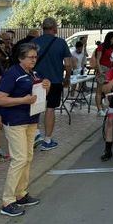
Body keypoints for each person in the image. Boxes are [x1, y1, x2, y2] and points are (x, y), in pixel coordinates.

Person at [0, 42, 50, 217]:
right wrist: (22, 100)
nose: (34, 60)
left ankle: (21, 193)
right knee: (19, 159)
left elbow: (36, 95)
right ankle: (7, 200)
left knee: (27, 158)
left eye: (35, 57)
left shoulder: (33, 73)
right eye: (30, 57)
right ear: (20, 58)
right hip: (15, 121)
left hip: (31, 120)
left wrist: (45, 87)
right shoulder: (12, 74)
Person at [33, 17, 72, 151]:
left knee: (35, 108)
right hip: (55, 81)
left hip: (37, 81)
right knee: (50, 109)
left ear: (43, 28)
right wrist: (67, 78)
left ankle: (35, 134)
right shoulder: (61, 43)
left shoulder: (34, 42)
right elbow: (68, 64)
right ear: (54, 28)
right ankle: (47, 140)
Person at [91, 31, 113, 116]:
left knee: (107, 90)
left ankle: (104, 107)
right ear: (109, 38)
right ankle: (99, 109)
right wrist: (100, 70)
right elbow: (98, 59)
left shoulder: (111, 47)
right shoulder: (101, 46)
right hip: (102, 68)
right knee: (99, 90)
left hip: (109, 69)